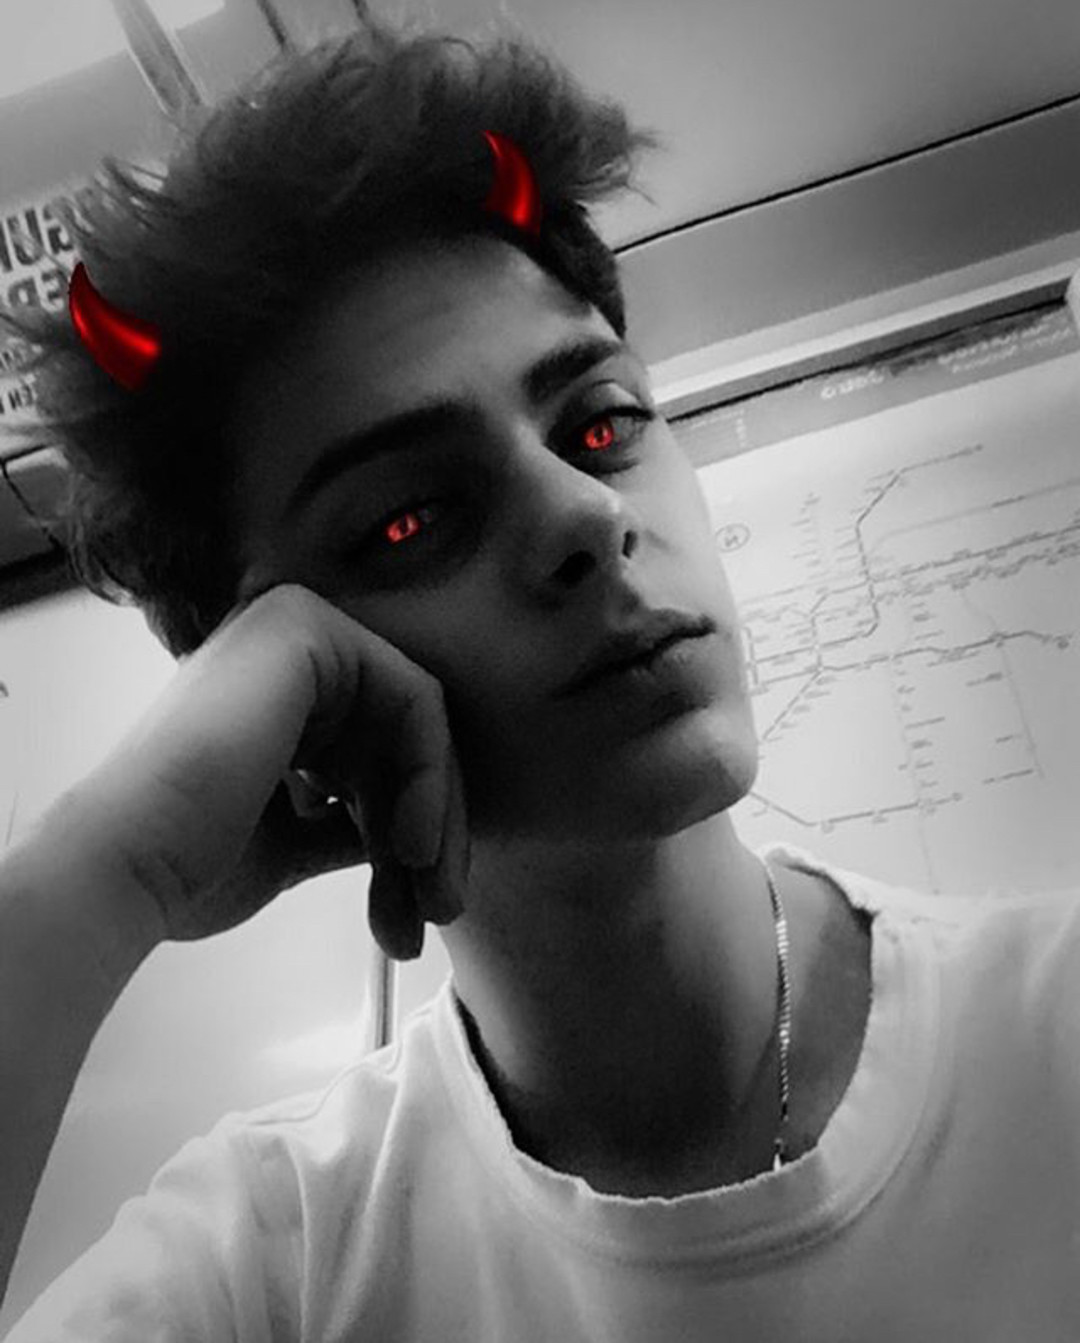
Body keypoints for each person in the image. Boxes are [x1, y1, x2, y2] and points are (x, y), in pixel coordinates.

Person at [1, 10, 1078, 1340]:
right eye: (410, 518)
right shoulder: (274, 1263)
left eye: (603, 424)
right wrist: (102, 874)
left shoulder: (1055, 1028)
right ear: (282, 693)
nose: (584, 514)